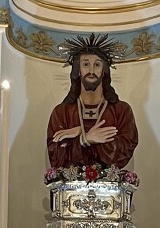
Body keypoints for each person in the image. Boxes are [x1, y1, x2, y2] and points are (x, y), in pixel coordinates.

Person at [46, 35, 138, 171]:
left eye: (97, 65)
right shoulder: (61, 112)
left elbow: (125, 148)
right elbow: (56, 156)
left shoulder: (122, 111)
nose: (91, 71)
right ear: (78, 71)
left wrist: (80, 134)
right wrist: (85, 138)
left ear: (104, 71)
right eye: (85, 64)